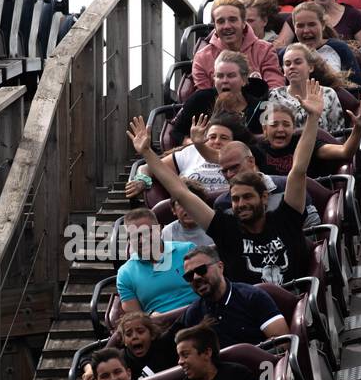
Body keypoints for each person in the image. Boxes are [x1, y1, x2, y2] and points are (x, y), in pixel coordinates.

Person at [130, 80, 323, 287]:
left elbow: (299, 169)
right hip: (245, 307)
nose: (241, 203)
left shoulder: (285, 219)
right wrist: (147, 153)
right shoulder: (226, 229)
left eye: (247, 196)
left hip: (290, 304)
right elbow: (181, 192)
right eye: (236, 199)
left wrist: (312, 118)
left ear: (264, 197)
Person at [177, 246, 290, 348]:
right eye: (189, 276)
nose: (196, 277)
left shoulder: (252, 297)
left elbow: (283, 342)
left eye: (201, 270)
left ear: (220, 267)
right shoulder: (193, 314)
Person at [213, 141, 320, 230]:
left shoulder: (287, 186)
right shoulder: (222, 204)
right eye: (224, 171)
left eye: (234, 167)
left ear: (251, 161)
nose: (229, 174)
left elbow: (312, 226)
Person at [257, 97, 361, 179]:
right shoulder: (257, 150)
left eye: (286, 125)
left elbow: (345, 151)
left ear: (293, 129)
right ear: (264, 130)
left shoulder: (304, 143)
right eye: (274, 125)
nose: (280, 129)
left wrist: (358, 128)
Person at [126, 113, 237, 199]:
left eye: (224, 138)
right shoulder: (191, 152)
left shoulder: (240, 156)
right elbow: (146, 168)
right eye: (212, 137)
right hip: (189, 207)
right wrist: (142, 180)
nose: (217, 141)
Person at [116, 207, 200, 316]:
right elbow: (136, 318)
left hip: (197, 316)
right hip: (159, 327)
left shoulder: (188, 250)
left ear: (159, 229)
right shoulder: (125, 273)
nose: (142, 240)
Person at [191, 0, 284, 92]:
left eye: (232, 20)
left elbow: (275, 89)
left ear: (243, 23)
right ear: (215, 26)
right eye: (221, 21)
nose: (226, 26)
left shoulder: (265, 50)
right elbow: (205, 98)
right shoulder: (202, 58)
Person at [172, 50, 268, 142]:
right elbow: (176, 133)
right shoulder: (200, 100)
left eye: (231, 76)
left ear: (244, 79)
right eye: (220, 76)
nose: (225, 81)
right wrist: (196, 144)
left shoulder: (258, 108)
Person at [80, 311, 179, 380]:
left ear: (151, 335)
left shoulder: (164, 344)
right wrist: (90, 369)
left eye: (140, 332)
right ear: (124, 340)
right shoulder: (121, 357)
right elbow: (85, 358)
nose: (134, 336)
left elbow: (185, 319)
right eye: (128, 334)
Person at [270, 43, 348, 137]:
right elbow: (267, 135)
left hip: (324, 148)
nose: (291, 67)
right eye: (287, 64)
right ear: (283, 71)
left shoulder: (328, 93)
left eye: (298, 62)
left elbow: (338, 134)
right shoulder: (273, 95)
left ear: (310, 67)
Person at [286, 2, 361, 80]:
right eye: (300, 26)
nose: (306, 30)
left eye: (312, 24)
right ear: (294, 28)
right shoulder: (287, 54)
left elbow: (356, 86)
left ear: (322, 25)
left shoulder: (340, 48)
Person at [162, 179, 214, 249]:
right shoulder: (168, 232)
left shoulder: (216, 226)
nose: (188, 208)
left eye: (193, 203)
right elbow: (165, 259)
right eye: (181, 203)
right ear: (173, 210)